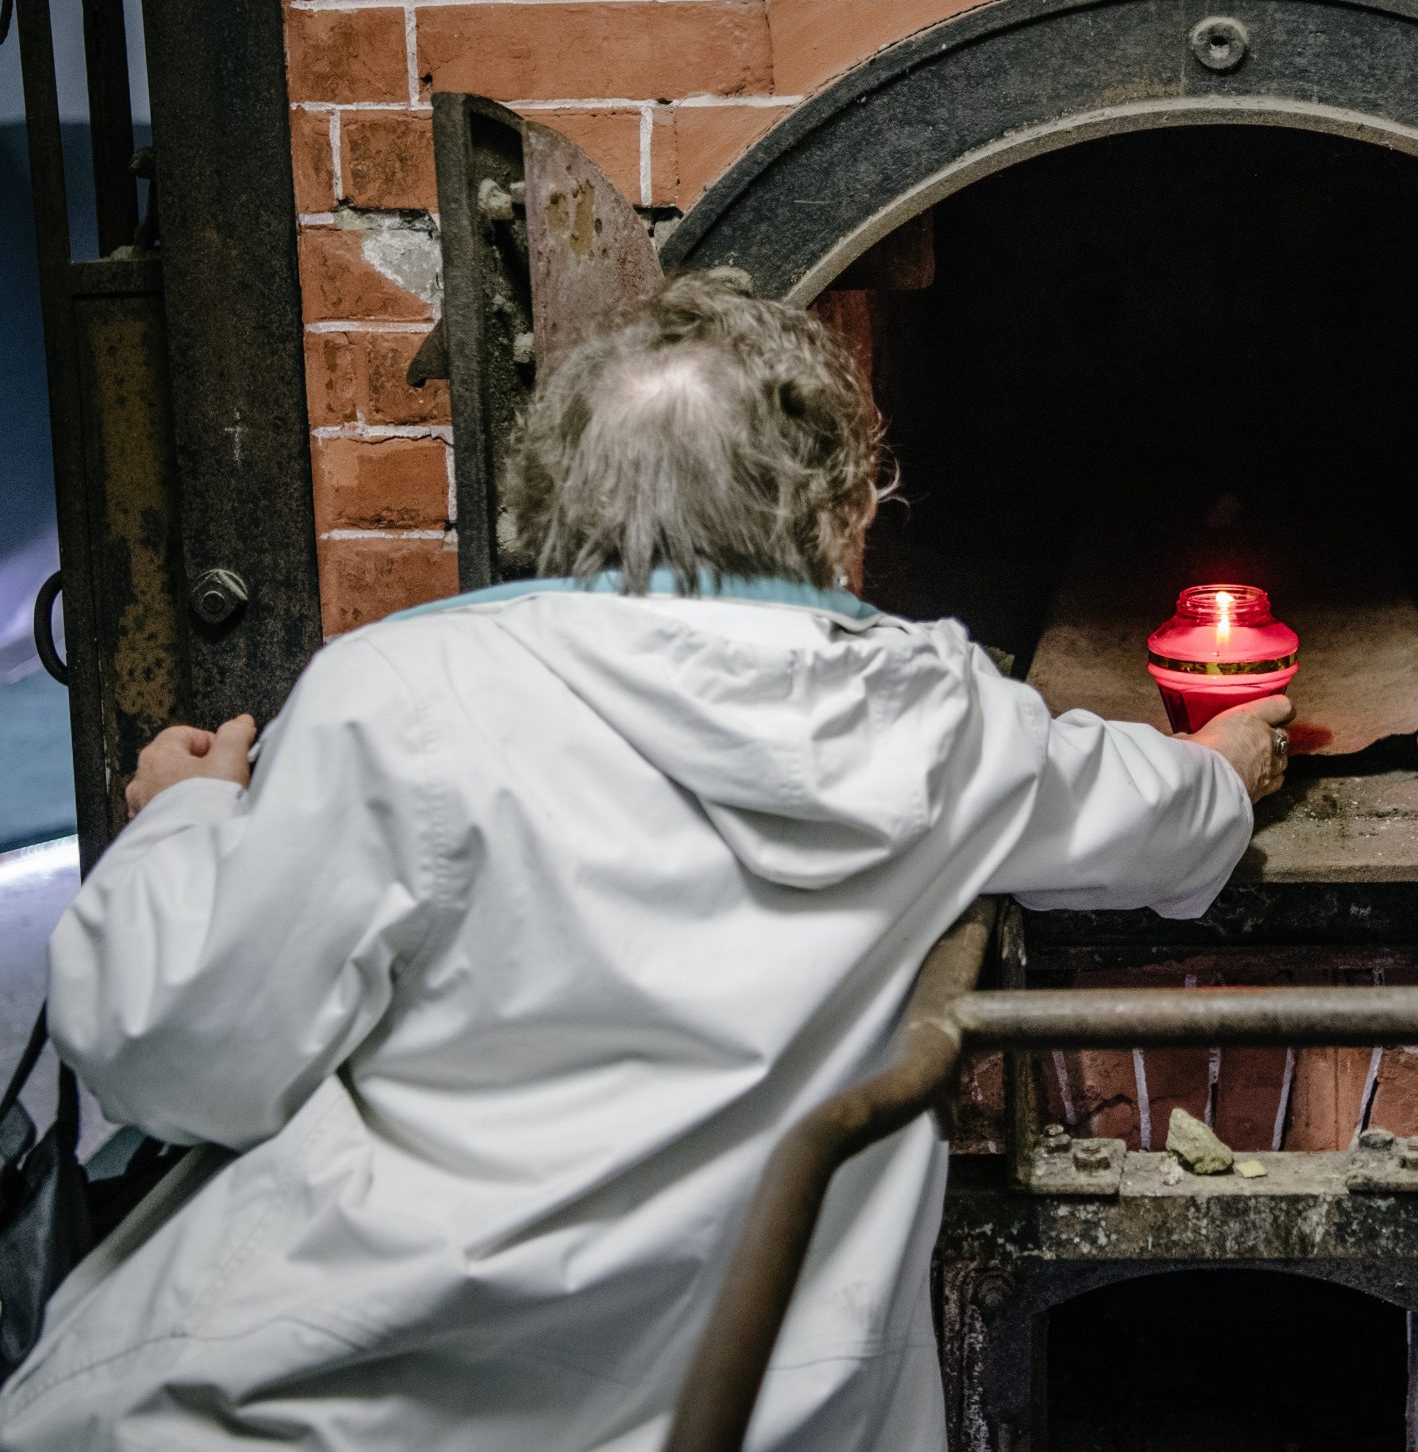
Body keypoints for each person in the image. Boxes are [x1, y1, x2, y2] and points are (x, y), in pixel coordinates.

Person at [0, 270, 1290, 1449]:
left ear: (554, 497)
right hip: (744, 1417)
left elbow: (170, 1053)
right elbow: (1156, 815)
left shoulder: (396, 695)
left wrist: (182, 817)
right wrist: (1226, 762)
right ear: (843, 515)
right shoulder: (930, 717)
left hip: (327, 1407)